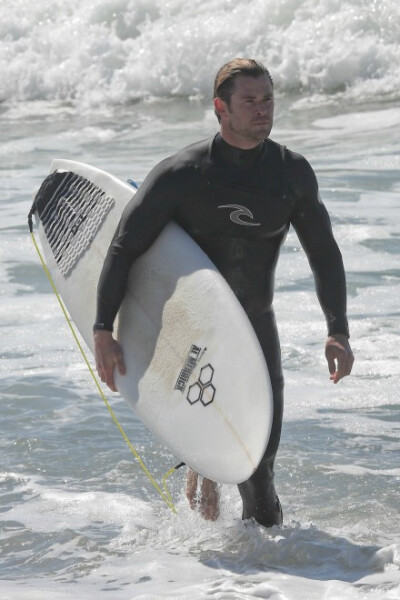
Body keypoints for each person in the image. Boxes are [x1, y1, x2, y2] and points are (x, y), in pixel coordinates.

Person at [93, 58, 354, 527]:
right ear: (221, 108)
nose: (262, 110)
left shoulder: (291, 174)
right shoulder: (181, 175)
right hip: (190, 335)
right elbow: (124, 247)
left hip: (255, 331)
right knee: (218, 468)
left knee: (258, 468)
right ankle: (210, 576)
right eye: (249, 101)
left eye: (268, 99)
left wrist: (338, 330)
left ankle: (271, 577)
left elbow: (324, 253)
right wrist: (102, 329)